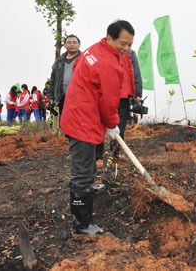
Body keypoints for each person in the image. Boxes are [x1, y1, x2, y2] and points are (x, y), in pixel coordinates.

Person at [60, 20, 135, 236]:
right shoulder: (109, 65)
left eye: (129, 44)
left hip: (78, 111)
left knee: (88, 163)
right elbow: (109, 103)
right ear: (110, 38)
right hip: (83, 119)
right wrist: (113, 125)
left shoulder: (94, 49)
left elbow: (77, 68)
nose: (126, 48)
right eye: (122, 43)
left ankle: (86, 193)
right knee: (82, 172)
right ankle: (82, 224)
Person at [96, 48, 143, 164]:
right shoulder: (105, 52)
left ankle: (111, 152)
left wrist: (137, 92)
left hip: (119, 93)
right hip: (110, 92)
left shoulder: (129, 53)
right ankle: (107, 152)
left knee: (117, 124)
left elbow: (135, 72)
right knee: (110, 123)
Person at [48, 34, 81, 117]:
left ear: (79, 45)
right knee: (65, 124)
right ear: (65, 45)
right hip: (62, 97)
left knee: (79, 123)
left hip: (80, 97)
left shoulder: (84, 59)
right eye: (69, 42)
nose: (72, 44)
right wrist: (51, 98)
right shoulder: (58, 61)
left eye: (74, 42)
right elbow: (53, 80)